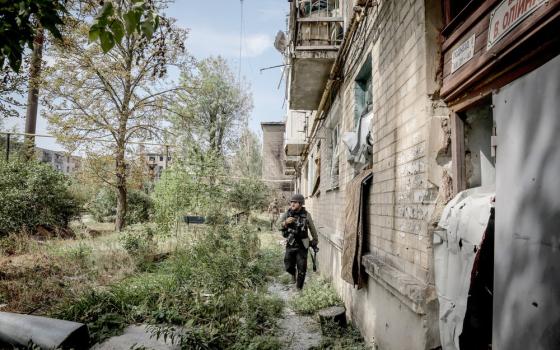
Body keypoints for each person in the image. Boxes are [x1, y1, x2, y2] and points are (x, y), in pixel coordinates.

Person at [277, 193, 319, 290]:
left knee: (302, 269)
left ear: (300, 204)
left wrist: (315, 240)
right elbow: (277, 225)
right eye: (291, 202)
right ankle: (293, 273)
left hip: (303, 244)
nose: (292, 204)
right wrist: (285, 222)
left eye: (295, 203)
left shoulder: (306, 215)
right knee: (288, 264)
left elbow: (312, 228)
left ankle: (299, 288)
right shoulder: (287, 214)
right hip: (291, 243)